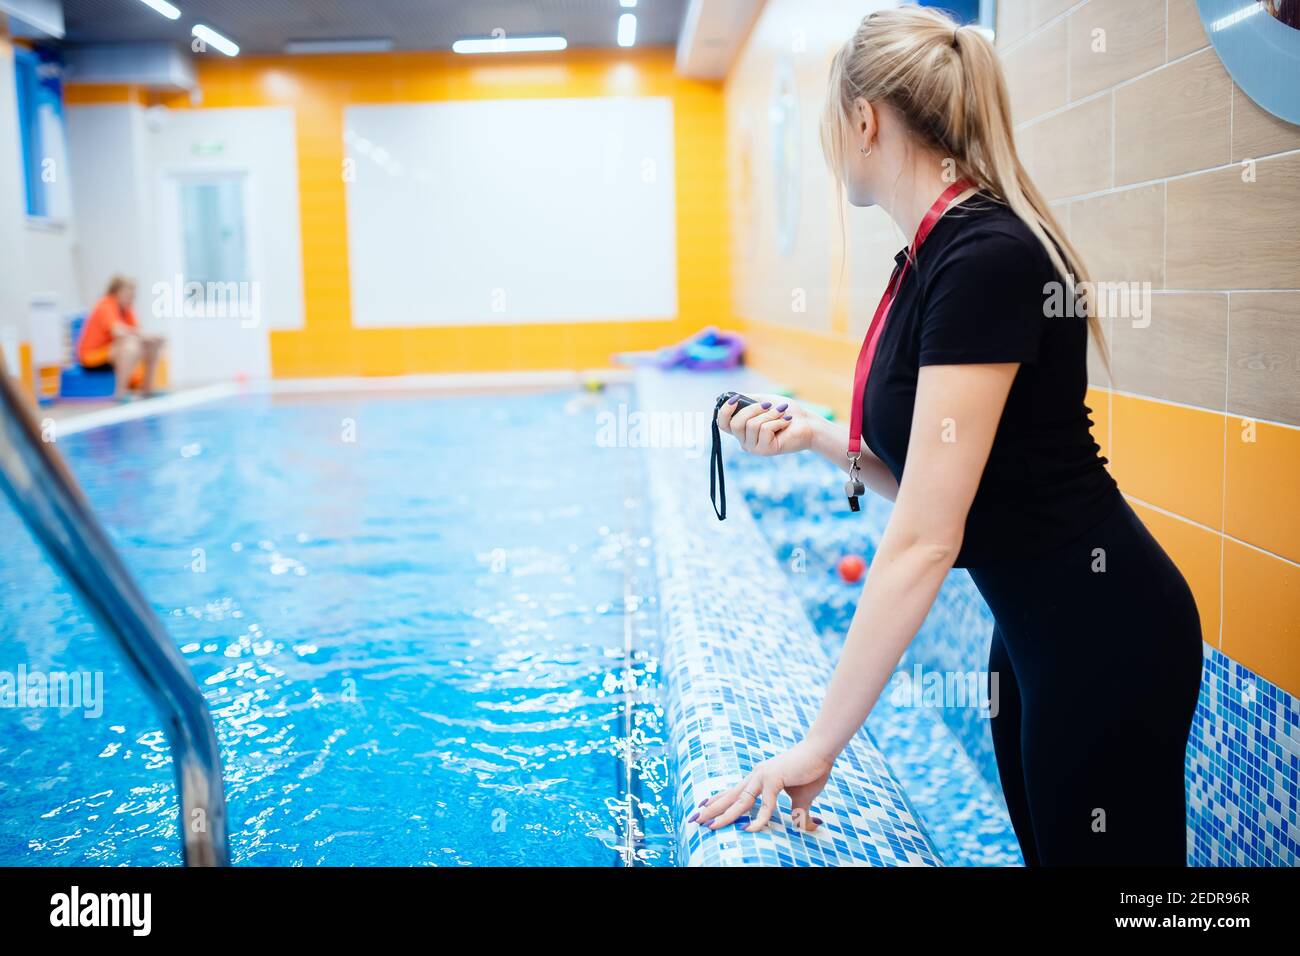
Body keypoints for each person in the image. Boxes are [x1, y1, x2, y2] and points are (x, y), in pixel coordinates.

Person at [701, 7, 1204, 866]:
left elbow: (927, 539)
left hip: (1103, 633)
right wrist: (822, 439)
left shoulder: (984, 259)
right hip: (1037, 631)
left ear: (864, 120)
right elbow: (950, 481)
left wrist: (819, 744)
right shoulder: (936, 254)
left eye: (834, 124)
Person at [78, 275, 165, 400]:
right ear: (116, 292)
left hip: (111, 352)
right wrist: (143, 336)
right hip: (91, 357)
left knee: (152, 344)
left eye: (133, 293)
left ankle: (148, 389)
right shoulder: (105, 305)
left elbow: (137, 331)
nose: (132, 296)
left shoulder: (126, 309)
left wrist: (150, 338)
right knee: (130, 346)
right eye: (128, 292)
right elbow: (118, 331)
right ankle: (121, 393)